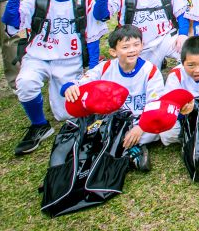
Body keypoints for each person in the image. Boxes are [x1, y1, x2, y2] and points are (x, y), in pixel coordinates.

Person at [3, 0, 109, 155]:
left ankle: (58, 106)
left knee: (66, 114)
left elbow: (93, 34)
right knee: (26, 83)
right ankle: (39, 125)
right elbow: (11, 22)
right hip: (38, 57)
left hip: (69, 60)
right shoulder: (36, 0)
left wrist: (93, 69)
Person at [66, 25, 166, 171]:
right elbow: (85, 80)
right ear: (113, 51)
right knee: (96, 130)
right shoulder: (105, 67)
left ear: (142, 46)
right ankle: (130, 151)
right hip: (114, 120)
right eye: (125, 47)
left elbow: (155, 104)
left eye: (136, 45)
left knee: (160, 129)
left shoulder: (150, 70)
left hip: (140, 120)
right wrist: (70, 86)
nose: (132, 50)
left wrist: (141, 127)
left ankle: (122, 148)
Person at [99, 0, 190, 71]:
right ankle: (156, 63)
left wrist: (183, 34)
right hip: (138, 45)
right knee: (140, 77)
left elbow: (182, 13)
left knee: (193, 53)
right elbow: (101, 16)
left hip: (166, 38)